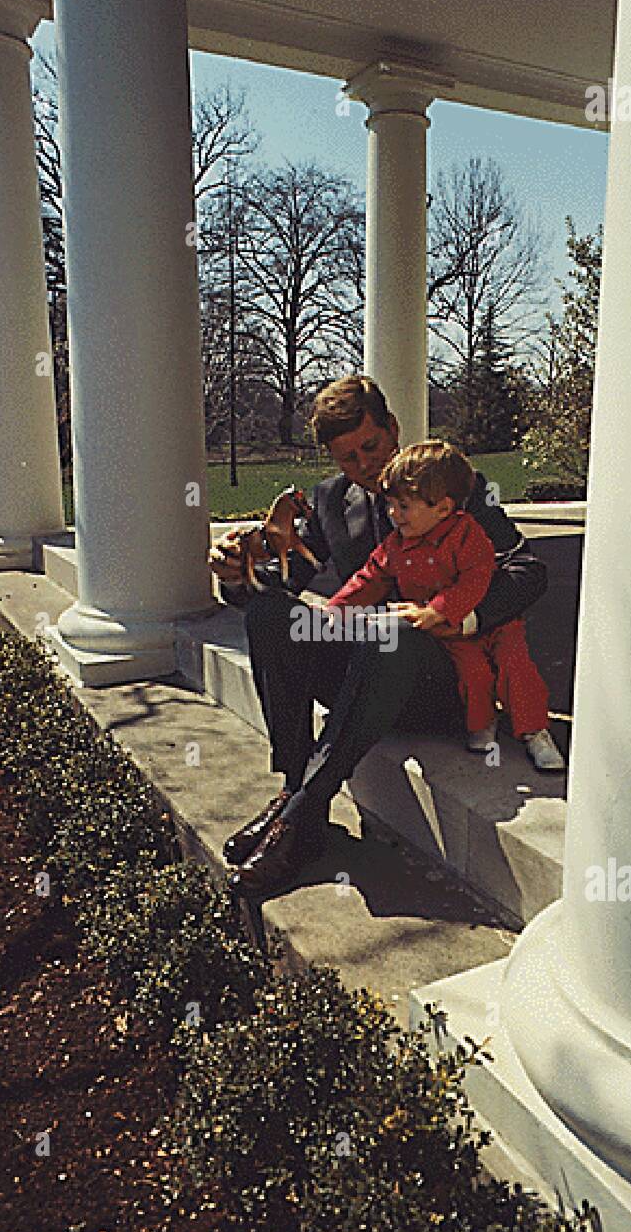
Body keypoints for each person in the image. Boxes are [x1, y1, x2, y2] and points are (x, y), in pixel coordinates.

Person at [207, 374, 551, 898]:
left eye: (371, 446)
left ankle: (301, 817)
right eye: (347, 457)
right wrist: (237, 576)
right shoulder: (329, 503)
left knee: (389, 633)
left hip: (441, 680)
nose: (364, 465)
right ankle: (294, 786)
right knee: (271, 618)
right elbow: (283, 583)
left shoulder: (449, 484)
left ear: (392, 429)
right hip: (364, 678)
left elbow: (527, 569)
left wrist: (459, 618)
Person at [325, 440, 566, 771]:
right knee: (473, 674)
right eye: (391, 504)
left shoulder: (468, 535)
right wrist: (335, 610)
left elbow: (475, 578)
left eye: (404, 506)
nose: (393, 514)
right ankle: (483, 724)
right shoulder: (396, 545)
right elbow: (369, 578)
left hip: (489, 624)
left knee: (515, 667)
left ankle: (535, 730)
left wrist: (439, 610)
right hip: (450, 633)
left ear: (442, 507)